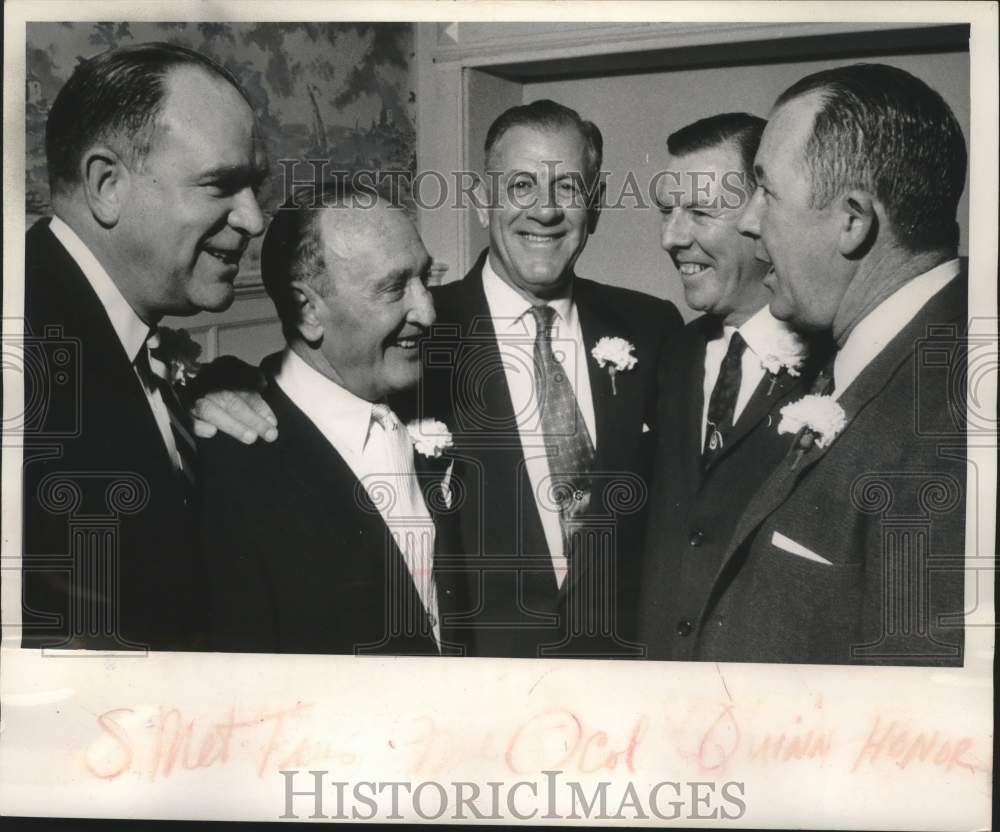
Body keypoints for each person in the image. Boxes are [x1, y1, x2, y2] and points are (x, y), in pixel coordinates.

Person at [698, 63, 966, 665]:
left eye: (766, 191)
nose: (747, 220)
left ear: (853, 220)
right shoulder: (874, 355)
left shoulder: (950, 424)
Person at [22, 43, 268, 650]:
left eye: (253, 187)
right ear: (107, 185)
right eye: (221, 186)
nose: (254, 219)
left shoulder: (109, 332)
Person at [419, 100, 683, 658]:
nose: (545, 212)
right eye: (521, 186)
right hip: (488, 682)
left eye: (567, 188)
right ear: (480, 200)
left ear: (595, 203)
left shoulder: (651, 326)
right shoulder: (421, 331)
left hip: (626, 671)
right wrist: (223, 383)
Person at [201, 183, 465, 655]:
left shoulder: (440, 397)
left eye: (425, 279)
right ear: (308, 311)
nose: (426, 311)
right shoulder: (230, 466)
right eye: (392, 289)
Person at [637, 113, 832, 660]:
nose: (671, 238)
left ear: (762, 215)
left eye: (700, 212)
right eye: (667, 213)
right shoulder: (673, 354)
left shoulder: (836, 361)